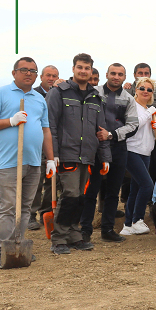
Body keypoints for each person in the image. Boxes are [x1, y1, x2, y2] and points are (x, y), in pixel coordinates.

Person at [0, 57, 55, 266]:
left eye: (33, 71)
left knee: (25, 207)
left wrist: (50, 159)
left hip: (34, 161)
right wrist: (10, 121)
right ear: (14, 72)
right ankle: (2, 249)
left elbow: (46, 130)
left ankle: (18, 244)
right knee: (9, 206)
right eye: (24, 69)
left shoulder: (39, 99)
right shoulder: (0, 93)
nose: (29, 73)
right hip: (9, 161)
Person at [46, 53, 111, 254]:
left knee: (81, 196)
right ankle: (59, 238)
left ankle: (75, 235)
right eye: (80, 67)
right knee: (70, 195)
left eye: (87, 68)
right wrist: (53, 154)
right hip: (67, 154)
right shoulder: (59, 93)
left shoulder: (96, 97)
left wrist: (105, 157)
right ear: (73, 68)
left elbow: (101, 130)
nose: (83, 71)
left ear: (91, 71)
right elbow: (50, 125)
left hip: (88, 156)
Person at [81, 63, 140, 243]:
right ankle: (84, 230)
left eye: (120, 74)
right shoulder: (94, 93)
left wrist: (111, 134)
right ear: (106, 74)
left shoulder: (129, 99)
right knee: (91, 190)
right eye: (113, 73)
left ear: (124, 77)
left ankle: (107, 229)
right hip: (94, 148)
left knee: (113, 191)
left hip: (118, 147)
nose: (116, 77)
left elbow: (133, 125)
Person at [120, 76, 156, 236]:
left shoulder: (147, 110)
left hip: (145, 152)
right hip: (132, 150)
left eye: (149, 89)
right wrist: (149, 113)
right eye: (142, 88)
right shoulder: (132, 105)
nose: (145, 91)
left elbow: (147, 132)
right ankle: (138, 219)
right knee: (147, 185)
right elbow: (134, 125)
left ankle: (128, 225)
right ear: (136, 90)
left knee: (136, 188)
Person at [28, 64, 60, 230]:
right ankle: (30, 214)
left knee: (51, 180)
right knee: (36, 180)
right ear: (41, 77)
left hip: (53, 143)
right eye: (48, 75)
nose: (51, 78)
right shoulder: (33, 94)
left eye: (54, 76)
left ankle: (46, 212)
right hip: (36, 143)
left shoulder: (59, 94)